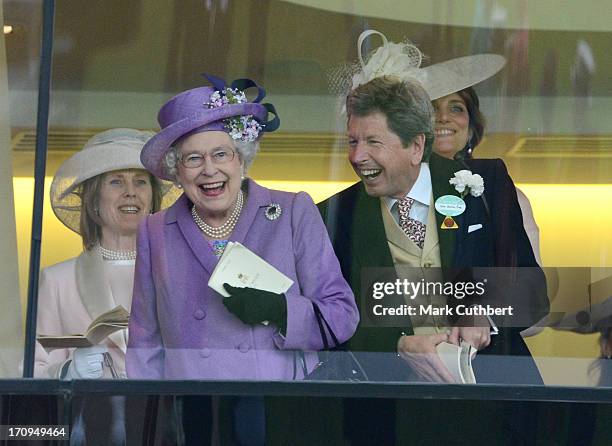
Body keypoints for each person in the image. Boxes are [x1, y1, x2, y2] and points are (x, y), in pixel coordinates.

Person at [126, 74, 358, 445]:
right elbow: (144, 342)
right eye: (193, 159)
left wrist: (280, 310)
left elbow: (342, 316)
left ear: (242, 158)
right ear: (177, 170)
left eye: (221, 154)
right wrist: (150, 429)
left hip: (277, 413)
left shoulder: (292, 211)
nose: (209, 169)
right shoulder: (155, 230)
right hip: (194, 418)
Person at [318, 75, 549, 444]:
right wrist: (396, 345)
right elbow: (327, 324)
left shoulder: (484, 183)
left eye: (373, 142)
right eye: (353, 141)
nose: (357, 156)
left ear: (415, 145)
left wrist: (483, 312)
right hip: (390, 416)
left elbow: (533, 294)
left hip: (494, 410)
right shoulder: (333, 214)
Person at [35, 128, 174, 444]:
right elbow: (31, 370)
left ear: (153, 198)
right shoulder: (57, 281)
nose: (131, 192)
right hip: (87, 432)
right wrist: (70, 370)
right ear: (93, 200)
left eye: (140, 181)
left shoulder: (179, 278)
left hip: (164, 430)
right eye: (116, 182)